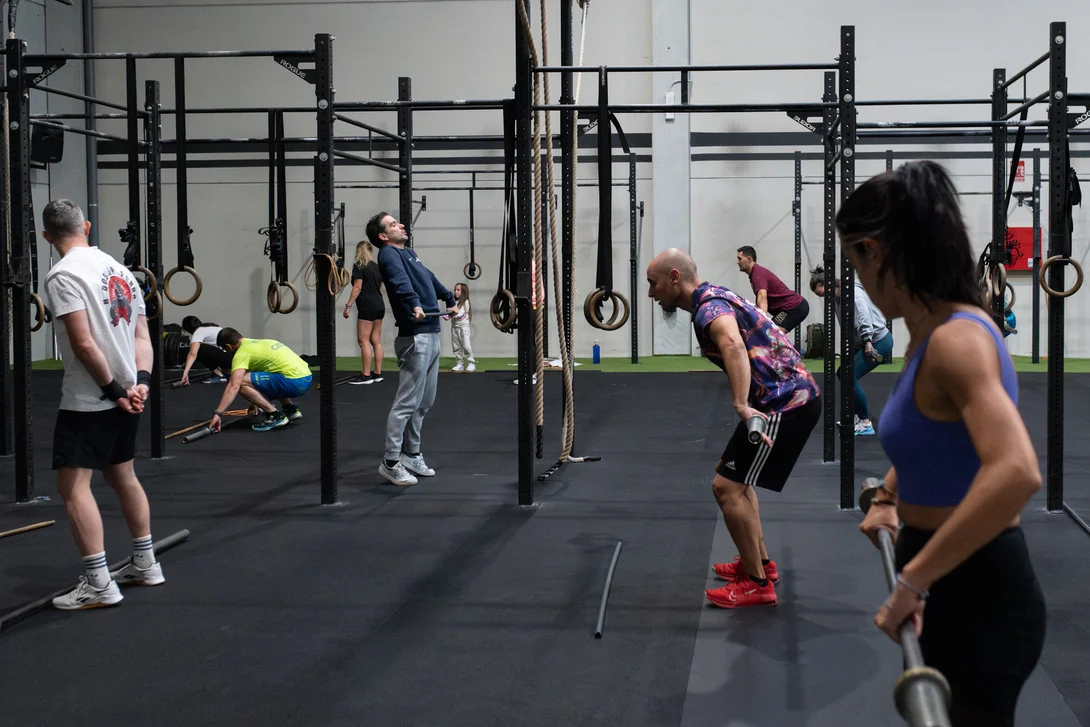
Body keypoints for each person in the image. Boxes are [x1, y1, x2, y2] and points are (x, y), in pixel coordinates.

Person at [845, 161, 1045, 726]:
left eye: (855, 265)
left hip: (978, 587)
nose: (859, 282)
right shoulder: (930, 331)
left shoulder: (958, 340)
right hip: (947, 575)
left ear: (874, 252)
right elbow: (935, 439)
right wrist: (889, 496)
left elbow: (1016, 472)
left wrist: (913, 580)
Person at [646, 247, 821, 609]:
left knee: (726, 488)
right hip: (781, 397)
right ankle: (761, 563)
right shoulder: (714, 295)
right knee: (734, 479)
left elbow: (732, 345)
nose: (651, 293)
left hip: (786, 401)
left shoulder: (708, 308)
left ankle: (757, 584)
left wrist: (741, 404)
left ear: (674, 278)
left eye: (653, 283)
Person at [40, 199, 164, 611]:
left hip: (91, 398)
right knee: (121, 475)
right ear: (87, 227)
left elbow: (83, 343)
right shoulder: (121, 271)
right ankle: (145, 563)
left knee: (73, 487)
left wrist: (113, 391)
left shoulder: (63, 275)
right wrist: (139, 383)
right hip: (128, 393)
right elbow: (142, 337)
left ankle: (98, 583)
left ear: (47, 237)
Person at [368, 211, 459, 486]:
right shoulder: (388, 254)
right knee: (406, 403)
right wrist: (414, 304)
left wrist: (448, 297)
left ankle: (411, 454)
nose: (401, 225)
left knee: (424, 402)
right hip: (415, 335)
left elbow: (428, 277)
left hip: (431, 331)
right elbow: (399, 282)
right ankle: (390, 462)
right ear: (383, 236)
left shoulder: (407, 252)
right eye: (393, 224)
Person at [809, 265, 894, 436]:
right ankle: (856, 417)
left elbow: (864, 316)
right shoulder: (838, 298)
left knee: (849, 376)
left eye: (823, 293)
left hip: (878, 341)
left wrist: (868, 340)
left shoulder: (853, 294)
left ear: (829, 284)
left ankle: (866, 423)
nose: (825, 297)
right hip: (866, 342)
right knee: (843, 373)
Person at [209, 328, 313, 433]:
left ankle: (274, 415)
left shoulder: (242, 353)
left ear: (228, 346)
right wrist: (254, 402)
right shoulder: (262, 342)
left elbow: (234, 386)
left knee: (240, 381)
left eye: (225, 350)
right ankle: (290, 409)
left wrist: (218, 413)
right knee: (271, 373)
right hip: (307, 379)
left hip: (293, 382)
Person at [736, 245, 810, 332]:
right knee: (768, 333)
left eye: (740, 259)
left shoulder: (757, 274)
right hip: (789, 309)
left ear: (749, 259)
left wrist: (761, 323)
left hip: (794, 308)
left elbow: (762, 298)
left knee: (769, 333)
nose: (737, 262)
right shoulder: (755, 274)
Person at [343, 240, 385, 385]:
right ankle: (377, 373)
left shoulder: (359, 265)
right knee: (376, 340)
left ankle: (366, 376)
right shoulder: (377, 267)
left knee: (363, 340)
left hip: (367, 306)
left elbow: (357, 287)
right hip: (379, 305)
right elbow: (379, 288)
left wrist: (348, 306)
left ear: (358, 251)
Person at [180, 315, 232, 384]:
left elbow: (192, 354)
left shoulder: (198, 332)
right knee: (203, 348)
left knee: (197, 348)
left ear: (187, 329)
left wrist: (185, 373)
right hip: (234, 358)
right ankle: (225, 373)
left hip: (229, 359)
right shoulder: (211, 327)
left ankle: (220, 375)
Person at [447, 282, 476, 372]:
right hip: (454, 327)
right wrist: (449, 313)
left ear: (463, 292)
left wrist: (451, 313)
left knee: (466, 346)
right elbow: (450, 311)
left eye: (458, 290)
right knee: (456, 346)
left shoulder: (465, 302)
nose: (456, 291)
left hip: (463, 328)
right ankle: (459, 363)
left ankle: (471, 363)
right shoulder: (454, 302)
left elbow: (460, 313)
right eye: (455, 290)